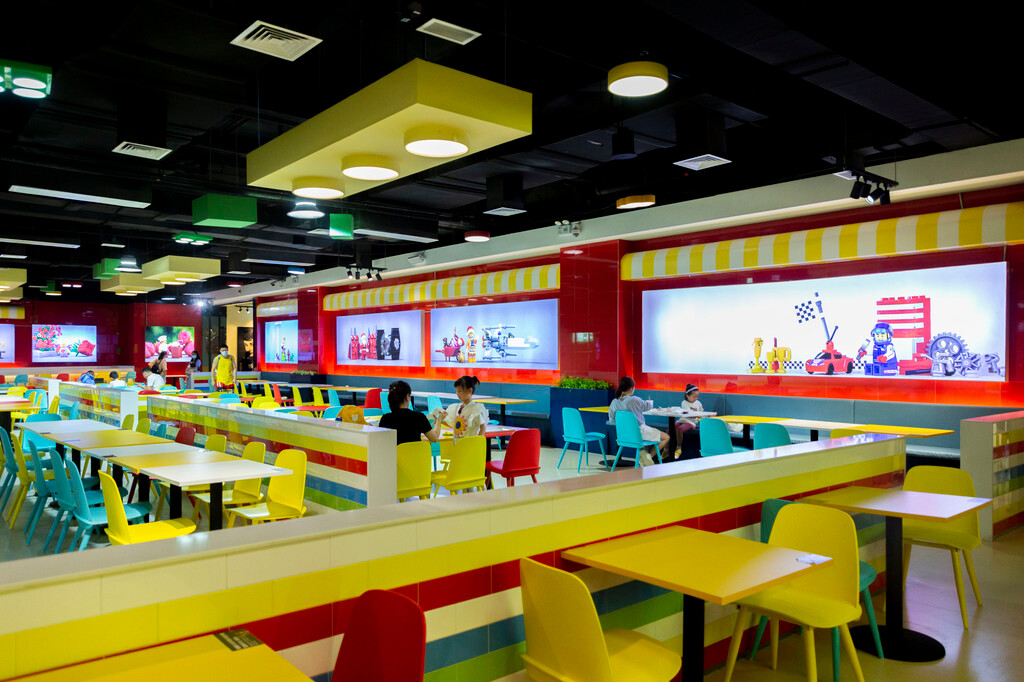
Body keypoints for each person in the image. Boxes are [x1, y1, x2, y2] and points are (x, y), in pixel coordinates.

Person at [608, 376, 669, 466]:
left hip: (622, 436)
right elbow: (648, 406)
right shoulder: (634, 399)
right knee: (666, 437)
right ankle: (648, 457)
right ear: (631, 388)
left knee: (649, 437)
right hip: (639, 433)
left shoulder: (614, 402)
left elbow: (612, 421)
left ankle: (643, 456)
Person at [377, 381, 441, 445]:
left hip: (395, 451)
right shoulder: (419, 417)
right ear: (407, 396)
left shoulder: (385, 419)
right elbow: (434, 438)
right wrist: (439, 419)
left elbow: (381, 442)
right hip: (415, 451)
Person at [431, 375, 489, 440]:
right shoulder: (458, 407)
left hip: (469, 444)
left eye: (460, 391)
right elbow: (456, 425)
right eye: (456, 391)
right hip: (457, 443)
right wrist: (440, 421)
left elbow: (483, 427)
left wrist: (478, 441)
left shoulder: (475, 409)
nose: (457, 394)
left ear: (469, 391)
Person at [675, 384, 704, 452]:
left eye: (697, 397)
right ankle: (667, 449)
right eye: (694, 397)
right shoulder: (684, 403)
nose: (696, 398)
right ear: (687, 396)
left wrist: (701, 415)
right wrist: (698, 415)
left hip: (691, 422)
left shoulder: (698, 403)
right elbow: (689, 414)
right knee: (669, 430)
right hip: (682, 420)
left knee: (679, 429)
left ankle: (678, 447)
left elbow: (701, 413)